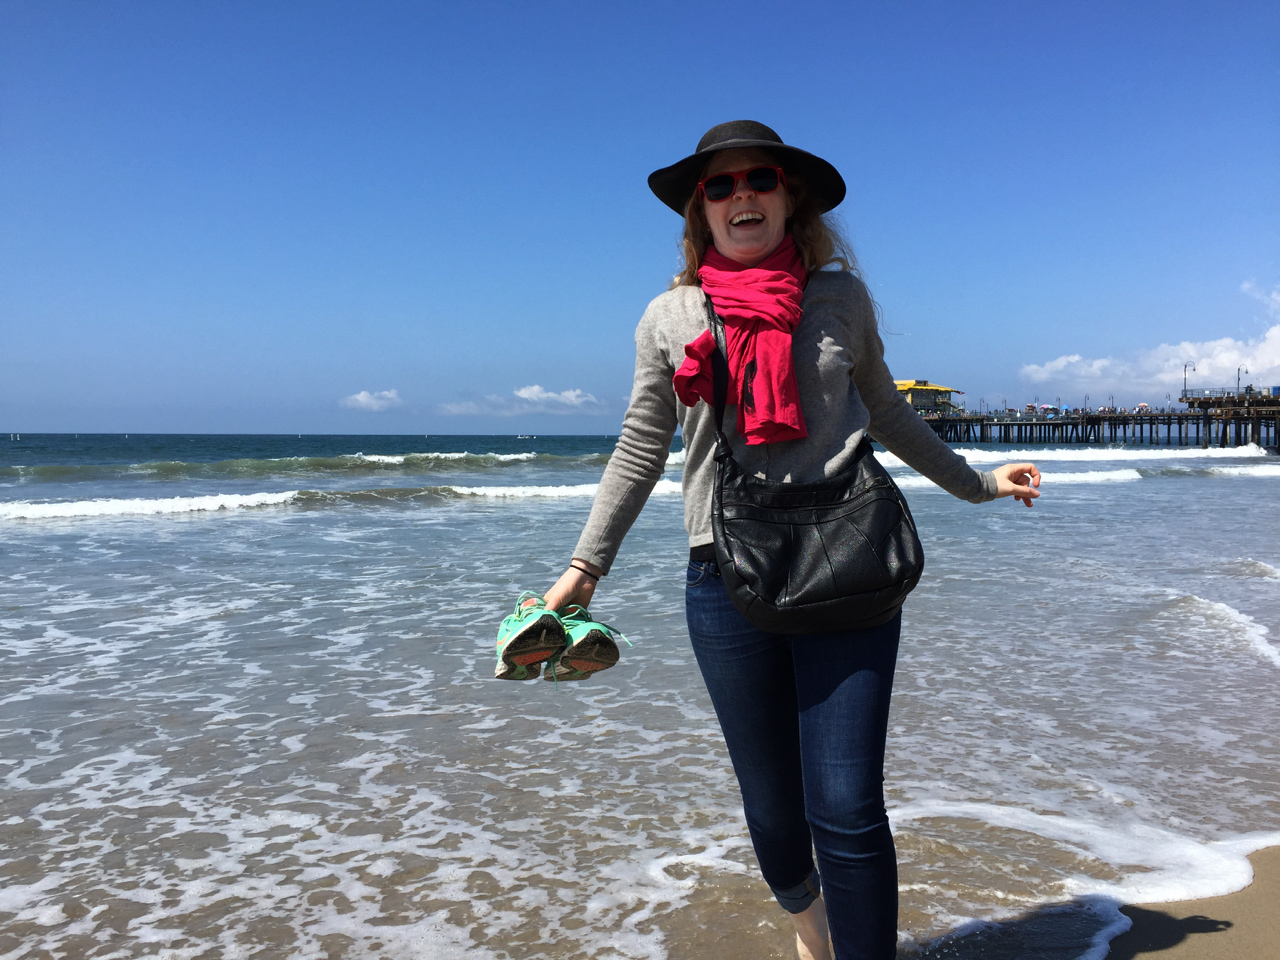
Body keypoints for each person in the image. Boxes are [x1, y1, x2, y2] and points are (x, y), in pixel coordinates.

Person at [541, 121, 1041, 960]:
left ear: (789, 197)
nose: (742, 195)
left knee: (846, 805)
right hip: (724, 575)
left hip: (850, 558)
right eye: (720, 185)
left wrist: (979, 483)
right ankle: (811, 929)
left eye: (759, 179)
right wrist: (586, 566)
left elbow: (887, 413)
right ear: (701, 211)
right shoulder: (669, 317)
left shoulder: (840, 298)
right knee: (773, 809)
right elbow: (641, 444)